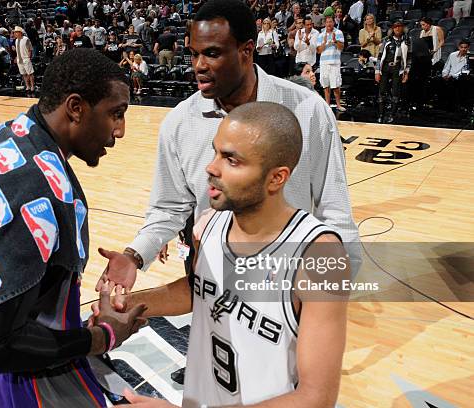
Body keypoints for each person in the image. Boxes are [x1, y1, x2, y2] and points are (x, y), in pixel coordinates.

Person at [97, 0, 360, 302]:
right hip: (214, 285)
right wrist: (134, 256)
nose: (199, 66)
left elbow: (335, 211)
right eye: (194, 53)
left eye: (212, 53)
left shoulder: (308, 110)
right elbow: (168, 208)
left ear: (247, 51)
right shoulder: (179, 123)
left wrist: (333, 290)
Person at [94, 102, 349, 407]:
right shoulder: (210, 222)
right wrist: (129, 304)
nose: (211, 167)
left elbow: (315, 398)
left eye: (231, 160)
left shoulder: (317, 255)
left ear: (276, 178)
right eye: (215, 152)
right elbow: (199, 288)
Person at [0, 49, 145, 407]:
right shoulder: (41, 193)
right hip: (31, 381)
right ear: (76, 107)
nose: (120, 130)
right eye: (116, 113)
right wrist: (104, 335)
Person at [375, 20, 411, 123]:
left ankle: (392, 114)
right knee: (382, 91)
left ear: (403, 28)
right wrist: (377, 71)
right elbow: (380, 56)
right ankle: (381, 114)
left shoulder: (407, 40)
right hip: (385, 67)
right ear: (392, 29)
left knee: (396, 92)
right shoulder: (386, 40)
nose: (397, 29)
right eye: (395, 27)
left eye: (399, 26)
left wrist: (406, 72)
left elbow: (409, 58)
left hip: (398, 68)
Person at [317, 15, 346, 111]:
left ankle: (338, 105)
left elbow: (341, 47)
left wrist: (335, 41)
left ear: (333, 23)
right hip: (324, 63)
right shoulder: (321, 35)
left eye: (331, 22)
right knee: (326, 85)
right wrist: (324, 43)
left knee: (336, 85)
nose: (329, 24)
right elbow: (319, 51)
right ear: (325, 23)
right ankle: (327, 105)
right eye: (327, 22)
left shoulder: (339, 32)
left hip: (334, 62)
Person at [440, 39, 471, 112]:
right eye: (462, 47)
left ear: (468, 48)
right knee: (437, 80)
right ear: (458, 47)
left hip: (459, 78)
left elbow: (466, 71)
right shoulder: (452, 55)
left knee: (460, 82)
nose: (463, 49)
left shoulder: (469, 57)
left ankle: (456, 107)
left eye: (465, 47)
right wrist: (444, 75)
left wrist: (452, 76)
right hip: (449, 76)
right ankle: (442, 106)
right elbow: (447, 66)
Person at [13, 26, 35, 92]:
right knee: (24, 74)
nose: (15, 33)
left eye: (16, 32)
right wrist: (16, 57)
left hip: (26, 59)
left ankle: (32, 86)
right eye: (15, 32)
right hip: (19, 60)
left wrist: (29, 58)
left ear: (20, 33)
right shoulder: (16, 40)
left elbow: (30, 49)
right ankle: (27, 86)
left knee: (30, 73)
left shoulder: (26, 39)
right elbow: (18, 51)